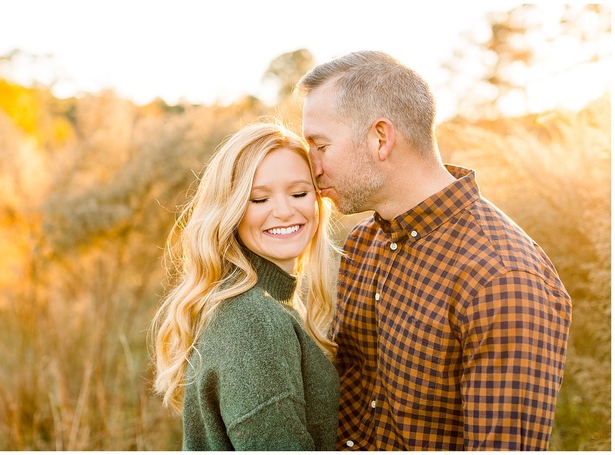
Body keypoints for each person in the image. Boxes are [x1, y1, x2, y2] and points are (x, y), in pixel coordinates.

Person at [295, 51, 572, 451]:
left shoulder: (503, 279)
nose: (312, 167)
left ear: (380, 139)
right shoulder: (362, 244)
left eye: (320, 145)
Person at [150, 121, 340, 450]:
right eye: (258, 199)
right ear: (231, 210)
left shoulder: (263, 302)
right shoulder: (253, 319)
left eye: (298, 193)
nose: (284, 211)